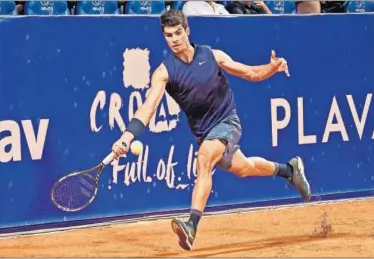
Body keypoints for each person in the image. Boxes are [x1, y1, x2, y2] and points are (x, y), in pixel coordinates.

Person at [111, 9, 311, 251]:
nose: (174, 39)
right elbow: (148, 107)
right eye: (168, 35)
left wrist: (272, 67)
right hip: (204, 132)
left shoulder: (212, 56)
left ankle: (191, 226)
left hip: (227, 121)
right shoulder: (164, 72)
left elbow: (249, 72)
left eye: (177, 33)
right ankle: (289, 170)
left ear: (187, 31)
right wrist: (127, 135)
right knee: (243, 168)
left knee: (204, 159)